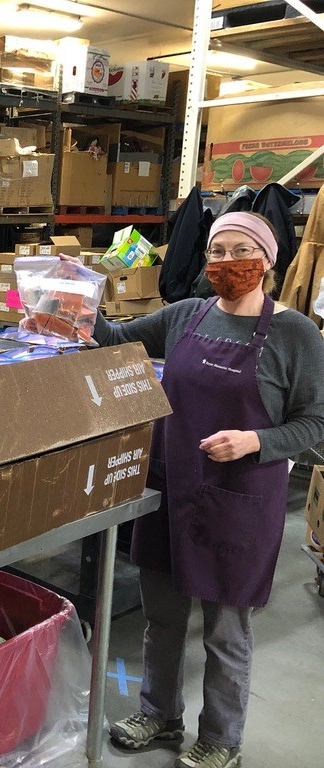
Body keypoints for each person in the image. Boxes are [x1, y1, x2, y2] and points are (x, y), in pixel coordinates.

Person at [92, 212, 324, 768]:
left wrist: (256, 441)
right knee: (163, 616)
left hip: (238, 500)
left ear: (268, 260)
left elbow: (316, 424)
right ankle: (159, 713)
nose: (226, 261)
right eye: (217, 251)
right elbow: (115, 340)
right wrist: (75, 299)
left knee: (225, 630)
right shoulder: (186, 316)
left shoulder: (296, 333)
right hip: (169, 488)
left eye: (240, 250)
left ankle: (221, 737)